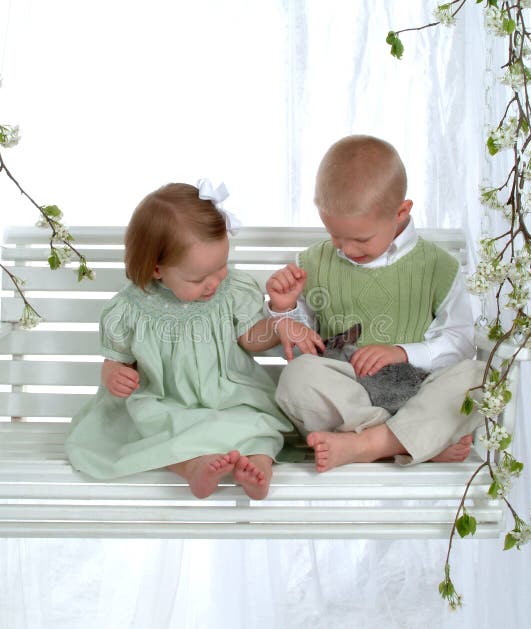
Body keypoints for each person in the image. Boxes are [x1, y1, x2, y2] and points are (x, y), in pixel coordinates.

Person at [65, 180, 323, 499]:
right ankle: (195, 467)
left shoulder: (233, 291)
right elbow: (114, 362)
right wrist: (115, 376)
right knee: (162, 426)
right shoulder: (129, 310)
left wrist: (278, 323)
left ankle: (258, 467)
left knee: (257, 424)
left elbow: (251, 338)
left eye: (221, 267)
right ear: (157, 269)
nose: (213, 282)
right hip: (166, 400)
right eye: (198, 278)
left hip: (228, 396)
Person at [266, 135, 484, 472]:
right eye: (334, 235)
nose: (346, 249)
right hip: (351, 395)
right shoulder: (313, 263)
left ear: (400, 212)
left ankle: (368, 444)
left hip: (420, 391)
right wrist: (284, 310)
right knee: (297, 377)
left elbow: (460, 340)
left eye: (361, 239)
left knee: (475, 375)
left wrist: (403, 351)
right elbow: (305, 345)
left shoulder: (438, 267)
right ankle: (410, 441)